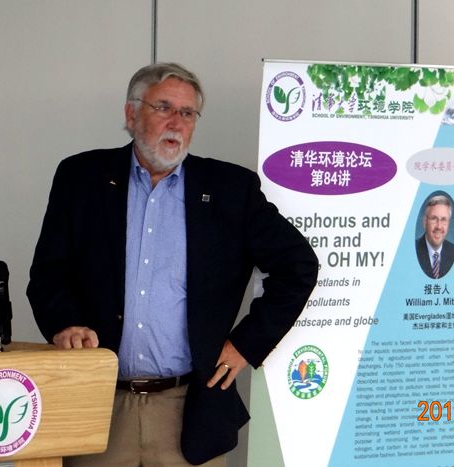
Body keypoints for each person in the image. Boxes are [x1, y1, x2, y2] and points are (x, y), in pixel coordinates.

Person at [27, 62, 318, 466]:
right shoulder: (81, 178)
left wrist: (245, 345)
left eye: (187, 113)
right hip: (98, 405)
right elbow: (48, 275)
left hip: (189, 412)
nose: (176, 123)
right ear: (131, 114)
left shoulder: (230, 189)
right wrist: (64, 325)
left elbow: (298, 265)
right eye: (163, 108)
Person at [416, 194, 454, 279]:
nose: (439, 226)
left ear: (448, 224)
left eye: (443, 220)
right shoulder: (413, 250)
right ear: (424, 222)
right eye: (434, 219)